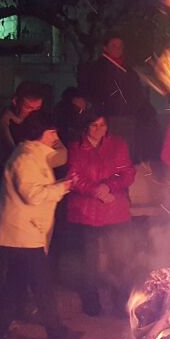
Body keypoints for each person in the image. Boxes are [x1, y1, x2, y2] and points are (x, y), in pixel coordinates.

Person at [0, 111, 79, 339]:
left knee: (14, 286)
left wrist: (61, 185)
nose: (56, 136)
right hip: (21, 235)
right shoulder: (25, 159)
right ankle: (57, 334)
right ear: (40, 134)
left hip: (23, 234)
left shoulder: (34, 156)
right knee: (41, 286)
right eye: (52, 132)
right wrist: (63, 187)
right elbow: (33, 196)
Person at [66, 113, 137, 316]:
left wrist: (109, 185)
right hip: (87, 212)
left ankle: (122, 302)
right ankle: (91, 301)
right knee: (89, 261)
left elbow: (127, 172)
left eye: (102, 125)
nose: (98, 129)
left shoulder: (117, 144)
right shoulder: (76, 147)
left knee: (121, 258)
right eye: (93, 125)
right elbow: (74, 176)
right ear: (85, 127)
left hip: (115, 210)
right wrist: (95, 191)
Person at [79, 34, 156, 161]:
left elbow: (137, 92)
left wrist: (135, 110)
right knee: (110, 153)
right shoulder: (98, 69)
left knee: (127, 152)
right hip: (109, 119)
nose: (117, 48)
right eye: (113, 45)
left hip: (128, 118)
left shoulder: (127, 69)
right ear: (105, 48)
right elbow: (92, 92)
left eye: (120, 46)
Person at [0, 81, 63, 192]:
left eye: (37, 109)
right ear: (15, 101)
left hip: (40, 187)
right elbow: (13, 161)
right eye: (28, 108)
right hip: (10, 189)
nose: (33, 113)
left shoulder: (42, 122)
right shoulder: (2, 126)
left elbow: (62, 154)